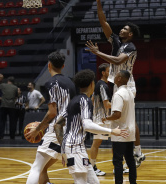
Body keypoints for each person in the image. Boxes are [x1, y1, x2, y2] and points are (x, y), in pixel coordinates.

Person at [85, 0, 145, 169]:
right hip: (117, 84)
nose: (121, 30)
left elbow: (118, 60)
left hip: (128, 84)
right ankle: (129, 158)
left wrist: (98, 52)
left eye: (125, 29)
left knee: (128, 118)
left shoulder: (131, 47)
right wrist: (98, 5)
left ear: (131, 34)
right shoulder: (118, 42)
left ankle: (138, 152)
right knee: (121, 120)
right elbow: (103, 22)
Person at [54, 69, 128, 184]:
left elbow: (58, 124)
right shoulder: (84, 100)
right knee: (80, 181)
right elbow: (87, 125)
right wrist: (112, 131)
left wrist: (64, 149)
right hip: (74, 147)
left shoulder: (74, 100)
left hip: (76, 147)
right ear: (92, 84)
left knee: (94, 182)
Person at [25, 51, 76, 184]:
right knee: (44, 167)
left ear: (49, 65)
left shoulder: (49, 84)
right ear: (63, 66)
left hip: (57, 128)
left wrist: (38, 129)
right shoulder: (71, 83)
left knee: (36, 167)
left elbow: (52, 113)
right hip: (70, 127)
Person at [102, 70, 137, 184]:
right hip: (130, 131)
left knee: (117, 161)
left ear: (119, 79)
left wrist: (106, 118)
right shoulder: (130, 93)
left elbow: (117, 114)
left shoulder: (118, 94)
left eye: (116, 76)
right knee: (130, 160)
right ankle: (133, 182)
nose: (114, 77)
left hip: (120, 132)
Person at [90, 63, 111, 176]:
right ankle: (92, 167)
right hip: (101, 119)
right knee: (96, 143)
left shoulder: (99, 84)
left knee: (116, 140)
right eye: (109, 71)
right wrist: (121, 105)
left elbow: (92, 99)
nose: (110, 72)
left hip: (102, 118)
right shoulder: (102, 85)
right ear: (103, 73)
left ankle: (119, 166)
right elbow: (107, 104)